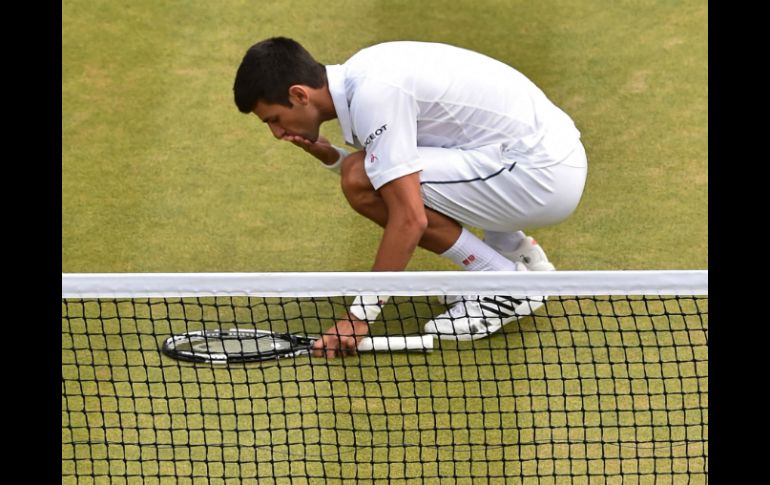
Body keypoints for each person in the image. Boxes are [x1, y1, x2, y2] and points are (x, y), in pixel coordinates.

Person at [233, 37, 587, 358]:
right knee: (367, 172)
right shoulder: (365, 72)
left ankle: (502, 283)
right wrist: (329, 155)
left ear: (299, 94)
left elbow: (408, 216)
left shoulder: (375, 95)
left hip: (542, 176)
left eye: (274, 120)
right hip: (539, 155)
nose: (277, 133)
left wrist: (359, 317)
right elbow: (385, 168)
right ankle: (519, 255)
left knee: (364, 180)